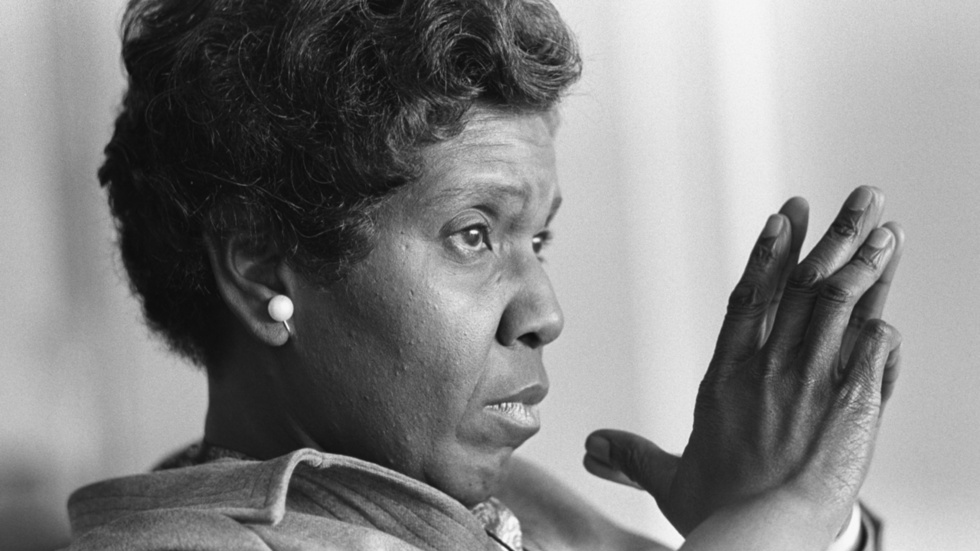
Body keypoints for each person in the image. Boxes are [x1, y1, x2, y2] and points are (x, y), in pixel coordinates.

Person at [66, 0, 904, 549]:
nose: (544, 311)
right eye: (474, 234)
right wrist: (779, 520)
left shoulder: (530, 509)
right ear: (258, 273)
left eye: (540, 239)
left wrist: (764, 509)